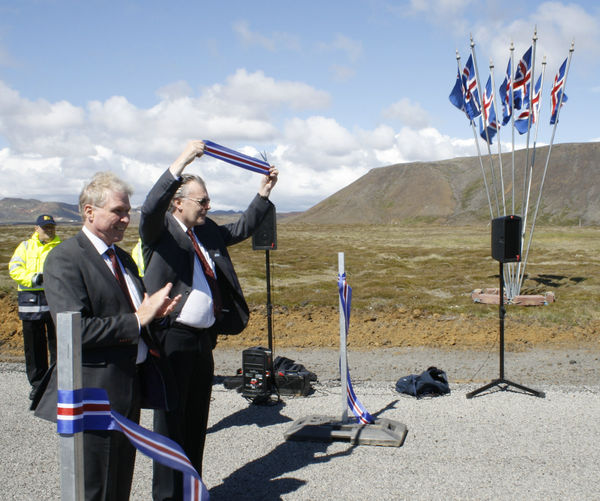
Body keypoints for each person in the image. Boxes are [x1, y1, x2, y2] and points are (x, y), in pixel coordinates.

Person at [140, 140, 278, 500]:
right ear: (178, 202)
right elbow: (150, 206)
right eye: (201, 201)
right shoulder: (159, 230)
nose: (207, 206)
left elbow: (241, 228)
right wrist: (182, 160)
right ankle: (167, 496)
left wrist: (262, 194)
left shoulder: (205, 229)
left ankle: (192, 491)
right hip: (172, 339)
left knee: (195, 420)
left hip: (202, 342)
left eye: (208, 200)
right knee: (170, 425)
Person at [32, 172, 181, 501]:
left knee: (119, 482)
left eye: (128, 211)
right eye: (118, 211)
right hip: (93, 395)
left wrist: (156, 316)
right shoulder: (65, 258)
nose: (126, 219)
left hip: (128, 389)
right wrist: (139, 318)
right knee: (94, 487)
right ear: (89, 212)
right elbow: (77, 330)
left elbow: (135, 319)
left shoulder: (123, 258)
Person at [8, 214, 61, 399]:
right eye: (45, 227)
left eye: (51, 227)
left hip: (54, 301)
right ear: (36, 229)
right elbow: (14, 268)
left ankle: (56, 383)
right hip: (29, 301)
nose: (49, 230)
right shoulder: (25, 247)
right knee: (33, 347)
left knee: (58, 345)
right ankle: (38, 385)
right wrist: (34, 278)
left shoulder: (61, 248)